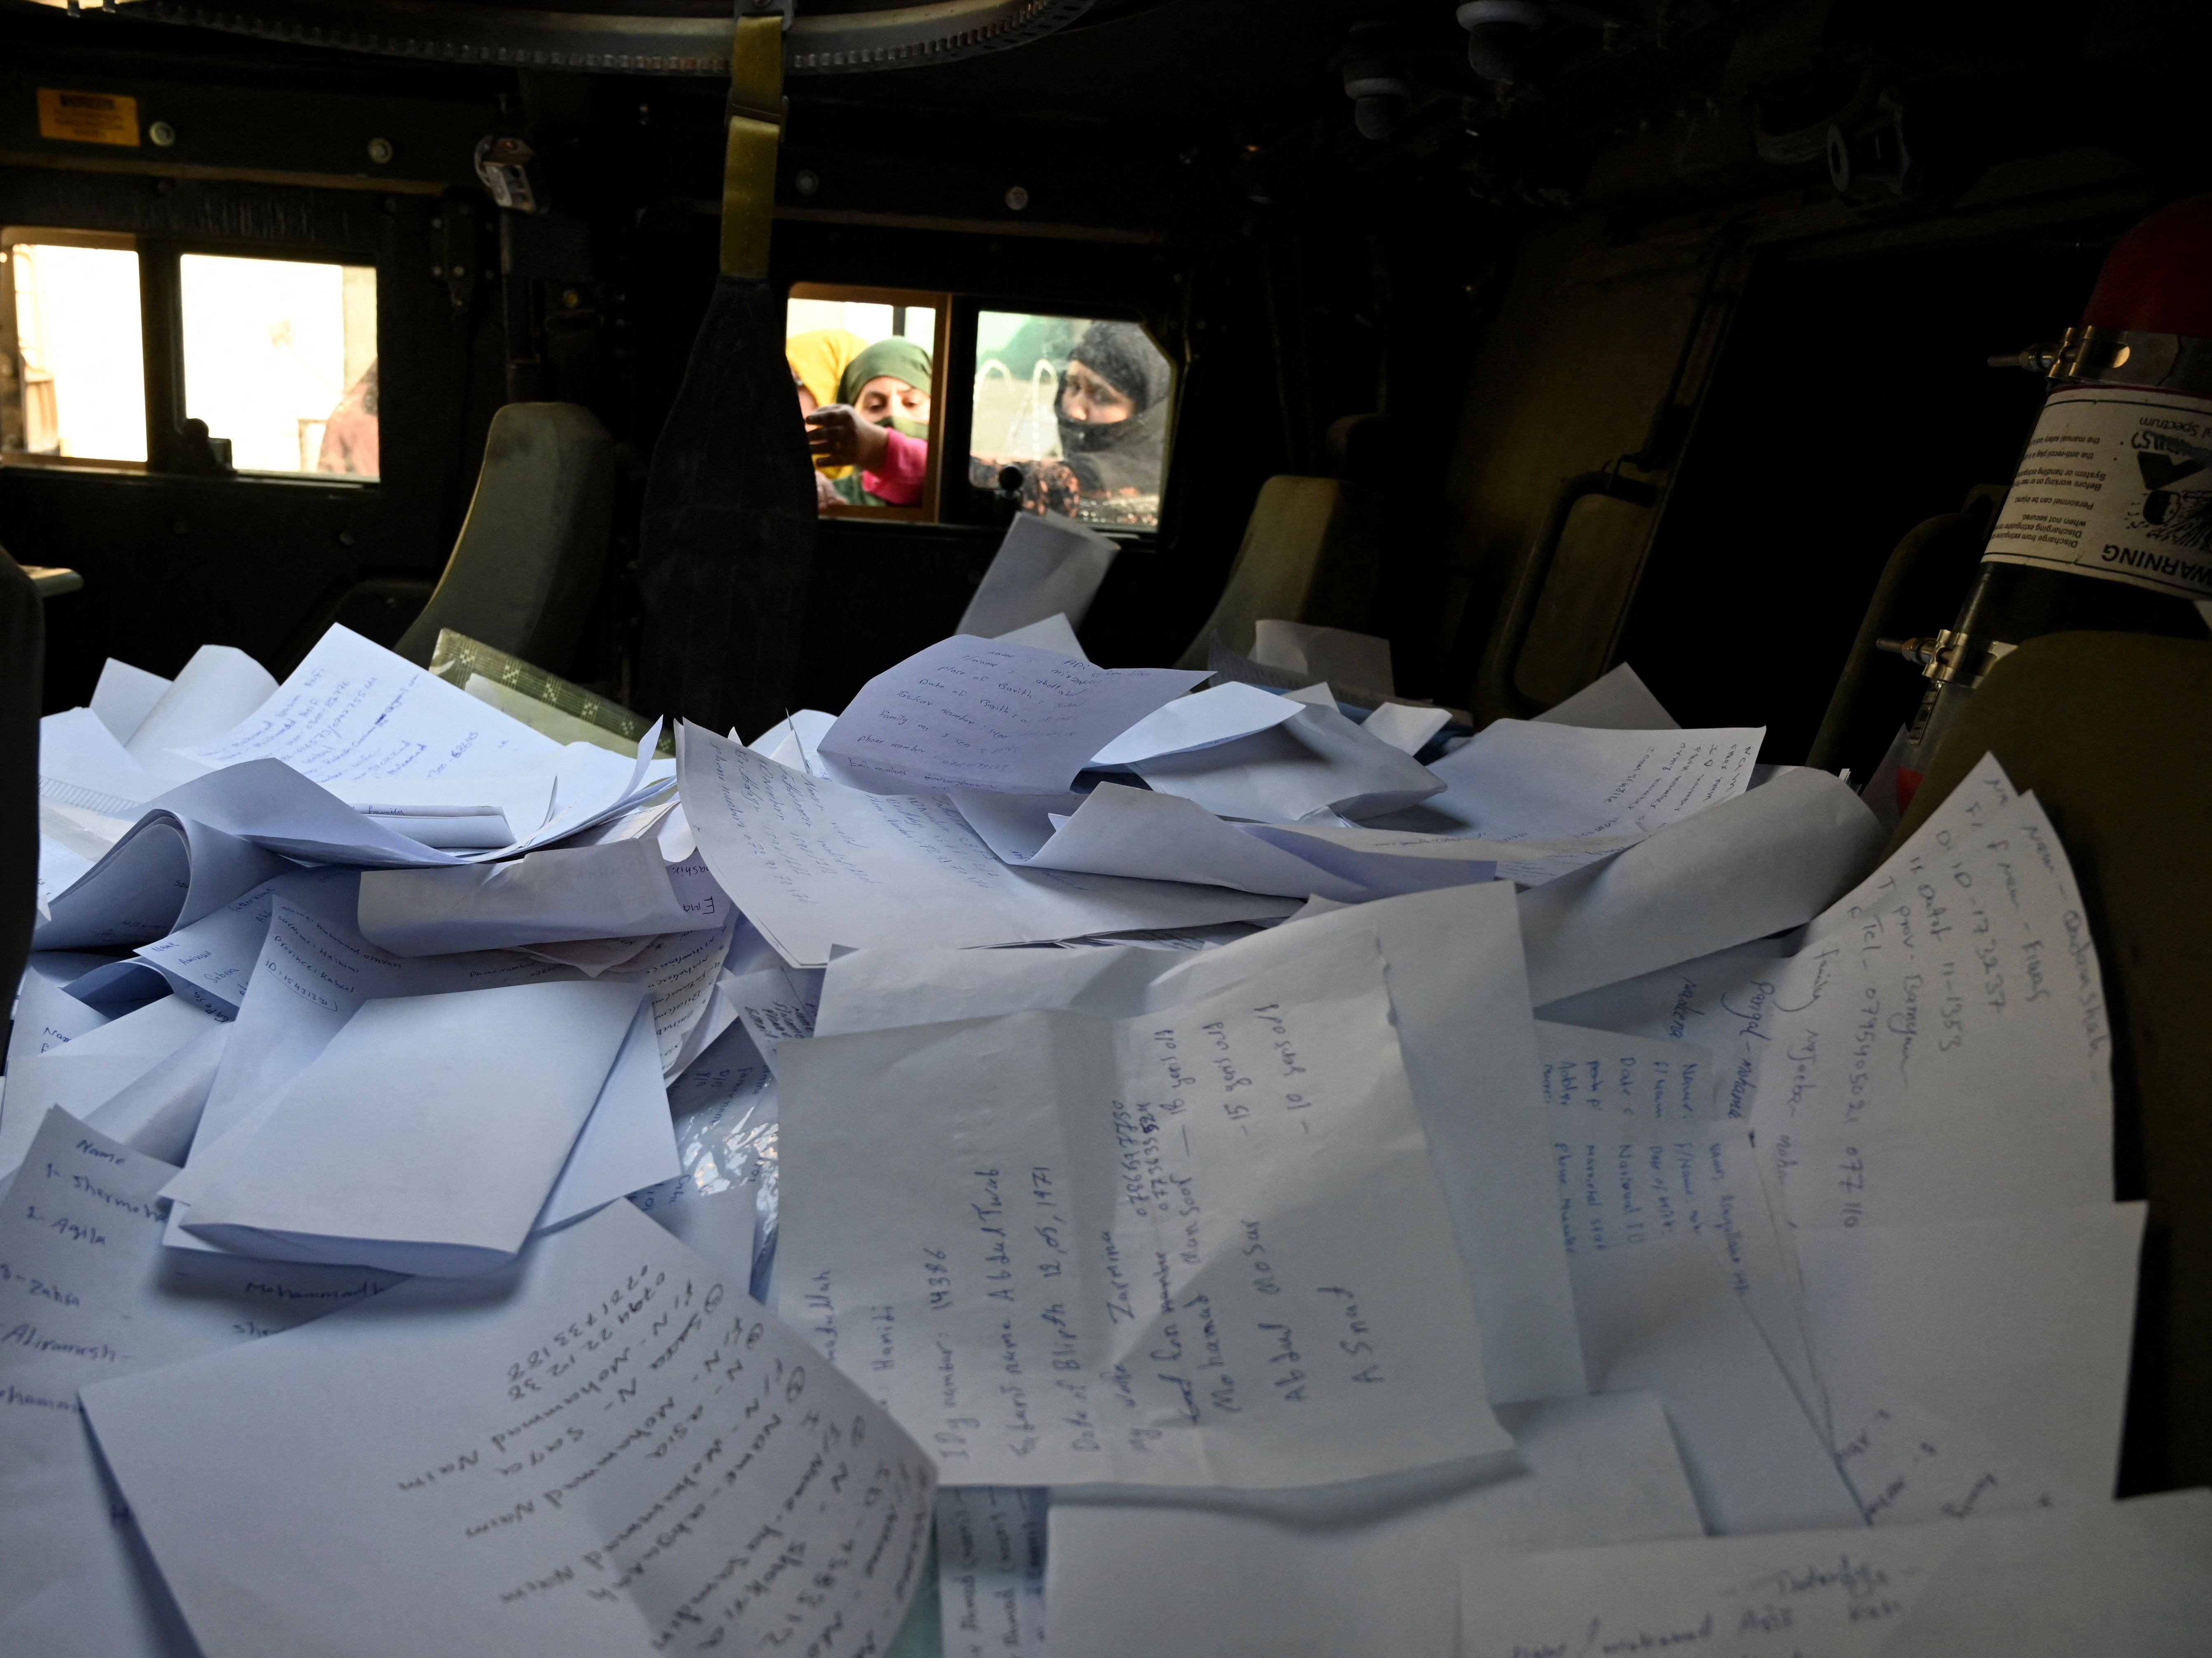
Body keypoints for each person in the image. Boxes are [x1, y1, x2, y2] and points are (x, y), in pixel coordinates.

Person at [806, 337, 933, 507]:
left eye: (912, 403)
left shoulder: (964, 483)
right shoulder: (836, 496)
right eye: (875, 407)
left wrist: (879, 449)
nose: (894, 415)